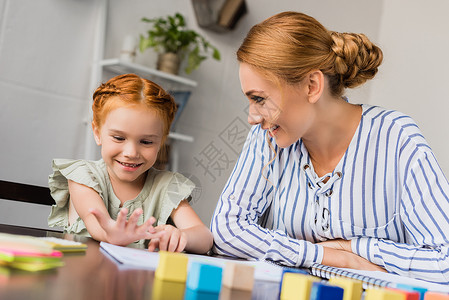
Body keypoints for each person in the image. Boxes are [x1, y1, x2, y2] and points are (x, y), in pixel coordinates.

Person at [211, 11, 449, 283]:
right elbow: (227, 230)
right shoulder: (267, 137)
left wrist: (354, 248)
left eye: (260, 99)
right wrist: (322, 256)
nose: (252, 117)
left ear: (312, 86)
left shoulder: (396, 138)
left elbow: (446, 262)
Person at [48, 73, 212, 254]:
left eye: (147, 142)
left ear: (161, 141)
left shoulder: (167, 186)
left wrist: (182, 236)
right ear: (97, 132)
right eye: (119, 138)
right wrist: (110, 233)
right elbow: (96, 224)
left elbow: (204, 238)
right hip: (85, 277)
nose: (131, 153)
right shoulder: (83, 176)